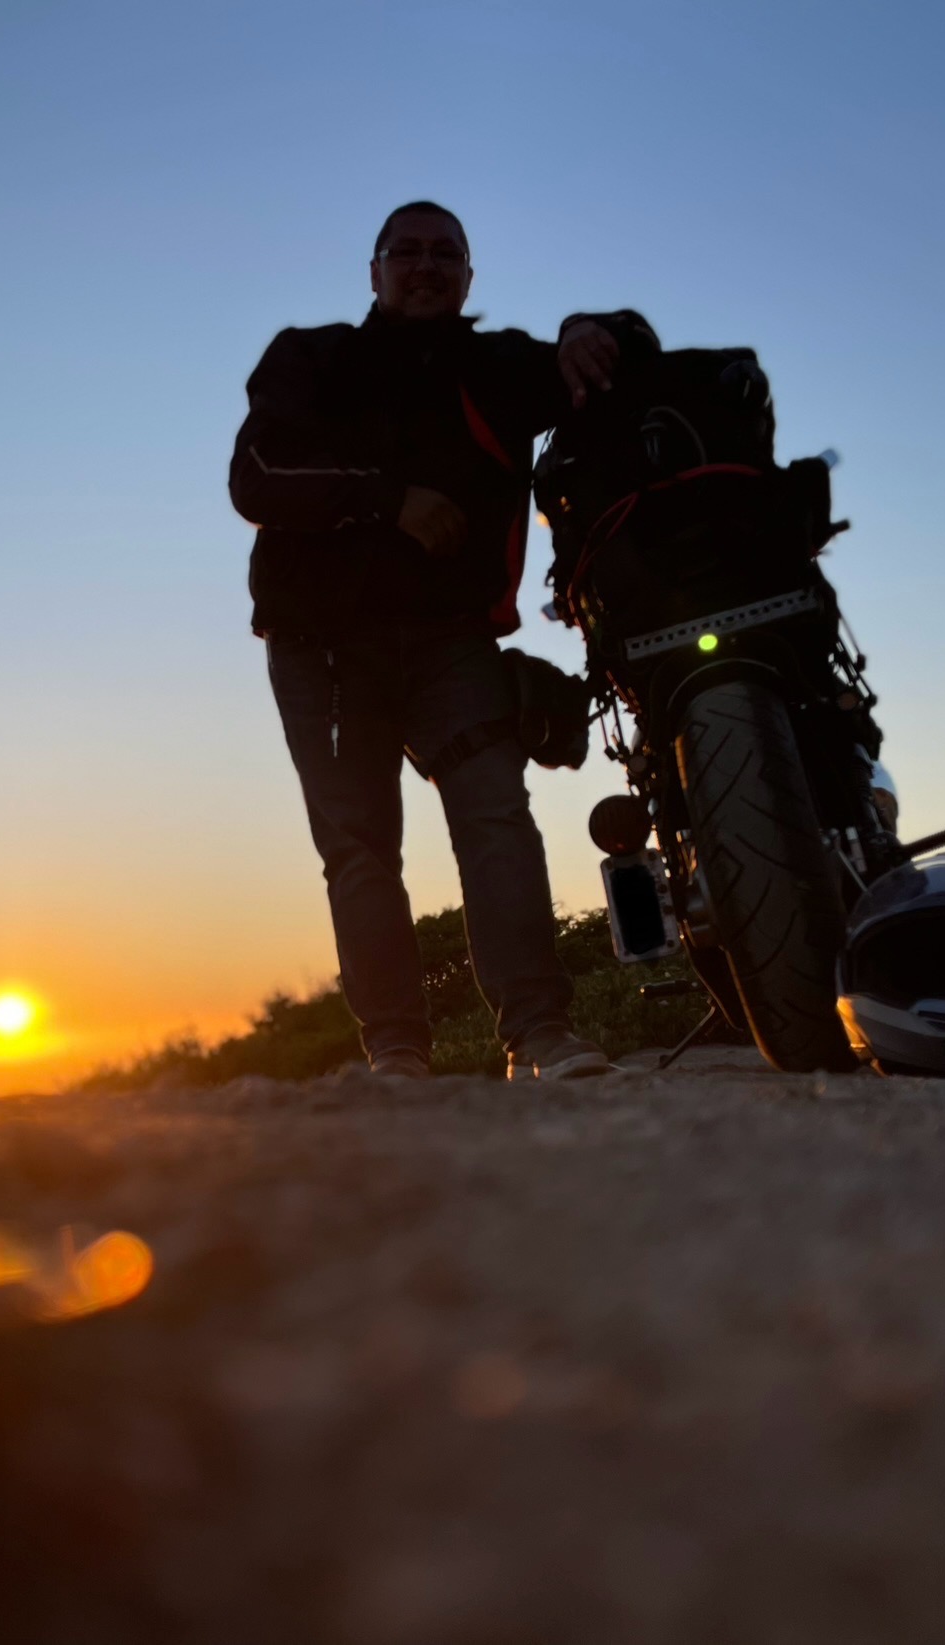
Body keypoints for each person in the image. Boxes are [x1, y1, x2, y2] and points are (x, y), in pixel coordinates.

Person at [229, 200, 647, 1080]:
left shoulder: (499, 367)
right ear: (374, 271)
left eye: (445, 254)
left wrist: (588, 327)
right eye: (407, 252)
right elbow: (255, 478)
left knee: (496, 819)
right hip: (319, 648)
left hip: (450, 644)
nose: (426, 266)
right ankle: (397, 1051)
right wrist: (388, 501)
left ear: (467, 276)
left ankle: (540, 1033)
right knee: (359, 848)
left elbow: (620, 350)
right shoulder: (309, 357)